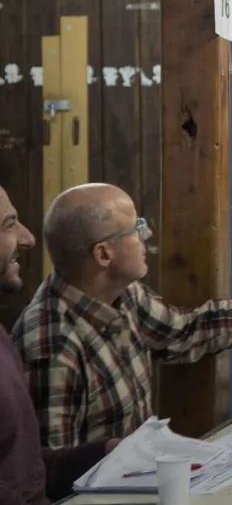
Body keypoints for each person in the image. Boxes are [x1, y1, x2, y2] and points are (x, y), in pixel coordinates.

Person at [13, 183, 232, 450]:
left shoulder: (125, 296)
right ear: (103, 254)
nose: (147, 236)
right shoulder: (52, 345)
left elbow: (190, 331)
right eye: (136, 228)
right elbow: (50, 474)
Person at [0, 184, 120, 505]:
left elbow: (21, 471)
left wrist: (103, 453)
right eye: (8, 225)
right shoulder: (51, 337)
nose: (28, 238)